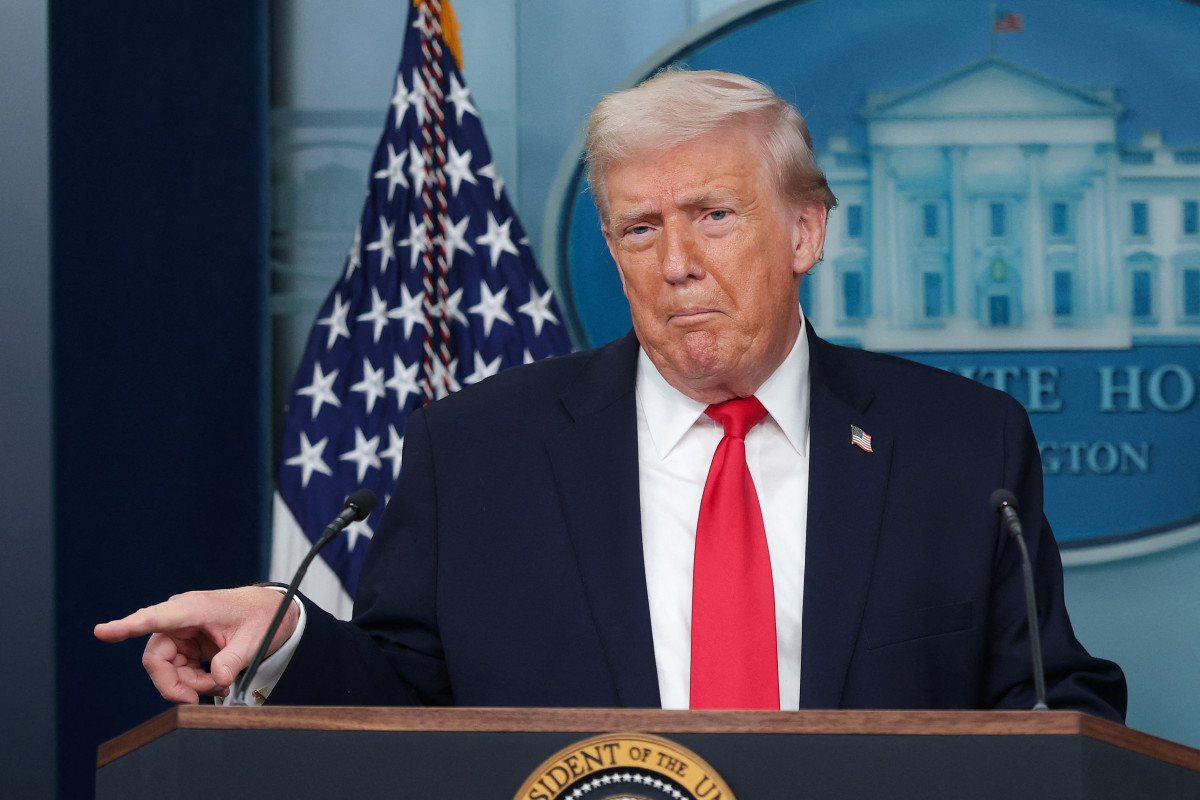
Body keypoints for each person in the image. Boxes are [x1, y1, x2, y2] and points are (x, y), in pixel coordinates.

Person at [96, 69, 1126, 720]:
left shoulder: (959, 444)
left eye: (714, 215)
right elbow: (409, 701)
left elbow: (1048, 694)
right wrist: (288, 639)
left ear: (806, 230)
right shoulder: (478, 450)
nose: (676, 261)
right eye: (640, 228)